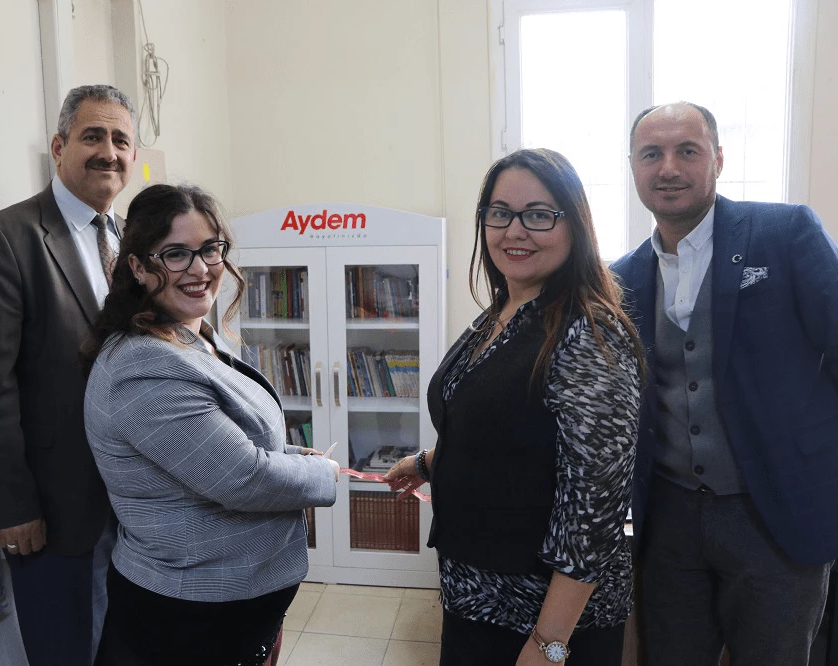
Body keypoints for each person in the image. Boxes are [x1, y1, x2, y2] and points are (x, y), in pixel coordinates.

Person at [386, 148, 644, 665]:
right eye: (499, 213)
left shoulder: (588, 334)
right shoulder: (505, 310)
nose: (515, 230)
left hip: (541, 616)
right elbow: (502, 427)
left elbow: (593, 507)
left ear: (575, 227)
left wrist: (549, 644)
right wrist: (428, 463)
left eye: (539, 215)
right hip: (478, 596)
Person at [610, 101, 838, 665]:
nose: (668, 167)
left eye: (687, 150)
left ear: (718, 159)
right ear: (634, 168)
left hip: (778, 513)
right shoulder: (621, 278)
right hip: (669, 521)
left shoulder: (785, 233)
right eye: (651, 154)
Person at [82, 183, 339, 666]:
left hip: (229, 612)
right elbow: (243, 477)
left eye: (209, 249)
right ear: (137, 266)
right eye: (175, 254)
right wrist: (324, 474)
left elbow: (228, 441)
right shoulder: (142, 366)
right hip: (186, 619)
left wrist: (293, 455)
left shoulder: (193, 336)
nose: (200, 269)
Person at [0, 84, 136, 665]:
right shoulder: (7, 239)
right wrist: (13, 505)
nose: (109, 151)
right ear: (58, 148)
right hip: (56, 514)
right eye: (93, 136)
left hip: (137, 503)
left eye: (121, 139)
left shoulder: (134, 238)